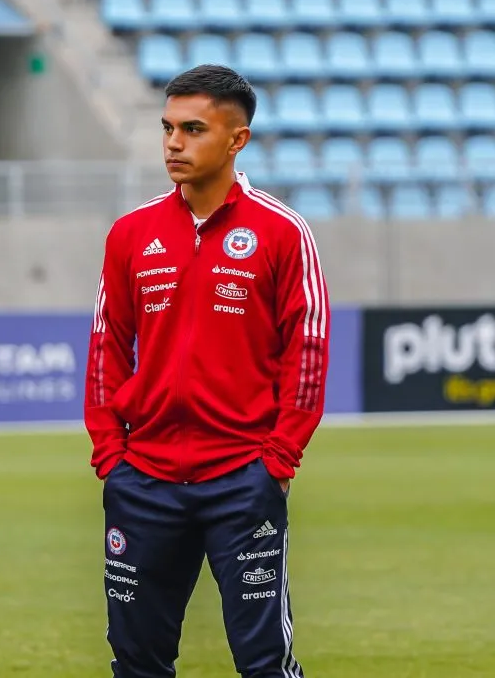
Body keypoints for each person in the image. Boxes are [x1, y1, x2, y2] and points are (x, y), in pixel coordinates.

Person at [84, 64, 329, 678]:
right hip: (144, 481)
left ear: (236, 139)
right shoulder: (131, 234)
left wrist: (278, 460)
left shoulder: (282, 232)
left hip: (242, 479)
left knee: (263, 661)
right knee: (137, 662)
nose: (173, 142)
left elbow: (310, 348)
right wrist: (110, 454)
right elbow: (106, 348)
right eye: (167, 128)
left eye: (192, 129)